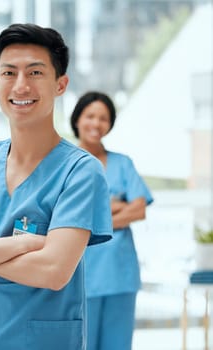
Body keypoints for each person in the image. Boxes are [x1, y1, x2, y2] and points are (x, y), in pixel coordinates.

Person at [0, 23, 113, 350]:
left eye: (35, 72)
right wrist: (25, 245)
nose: (21, 85)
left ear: (61, 84)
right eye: (9, 73)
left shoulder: (81, 171)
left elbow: (54, 270)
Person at [70, 91, 153, 350]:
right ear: (77, 120)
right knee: (82, 342)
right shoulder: (65, 163)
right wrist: (116, 207)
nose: (96, 123)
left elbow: (139, 209)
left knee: (118, 343)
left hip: (121, 274)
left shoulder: (122, 163)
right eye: (90, 116)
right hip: (80, 271)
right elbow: (66, 214)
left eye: (103, 118)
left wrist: (94, 215)